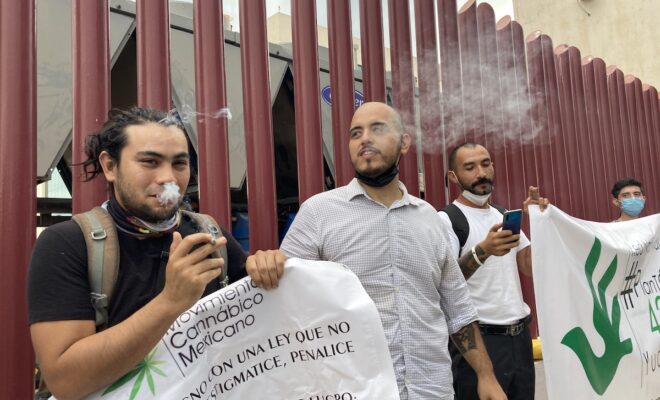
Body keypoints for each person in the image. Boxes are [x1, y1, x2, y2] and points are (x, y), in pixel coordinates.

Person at [248, 102, 506, 400]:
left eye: (377, 129)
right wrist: (265, 266)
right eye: (355, 133)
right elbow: (283, 297)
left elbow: (457, 308)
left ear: (404, 143)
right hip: (355, 391)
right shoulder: (318, 213)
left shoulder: (430, 220)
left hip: (432, 390)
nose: (364, 138)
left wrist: (486, 376)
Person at [28, 107, 256, 399]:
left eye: (179, 164)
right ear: (110, 166)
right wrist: (170, 302)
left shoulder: (209, 235)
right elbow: (66, 381)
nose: (167, 178)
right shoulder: (67, 243)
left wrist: (266, 267)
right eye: (150, 161)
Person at [439, 142, 549, 400]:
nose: (481, 173)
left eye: (485, 164)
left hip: (519, 340)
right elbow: (445, 282)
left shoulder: (503, 215)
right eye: (470, 167)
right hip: (480, 345)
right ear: (453, 176)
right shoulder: (447, 220)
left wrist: (539, 220)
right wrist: (482, 251)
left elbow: (529, 267)